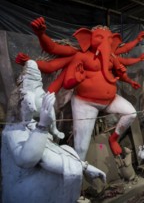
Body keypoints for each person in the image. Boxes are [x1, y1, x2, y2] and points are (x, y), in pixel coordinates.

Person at [16, 17, 144, 159]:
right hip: (85, 102)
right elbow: (54, 52)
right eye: (99, 37)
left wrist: (129, 80)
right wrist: (41, 35)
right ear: (87, 38)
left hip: (110, 100)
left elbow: (120, 67)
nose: (105, 42)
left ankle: (113, 138)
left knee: (131, 113)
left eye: (109, 39)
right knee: (81, 147)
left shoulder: (111, 57)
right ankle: (77, 171)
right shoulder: (80, 56)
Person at [1, 60, 106, 203]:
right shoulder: (13, 131)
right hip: (21, 190)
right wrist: (43, 125)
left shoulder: (32, 126)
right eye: (41, 96)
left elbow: (50, 155)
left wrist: (84, 167)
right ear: (27, 101)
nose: (45, 98)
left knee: (66, 149)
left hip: (34, 185)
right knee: (60, 170)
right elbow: (28, 159)